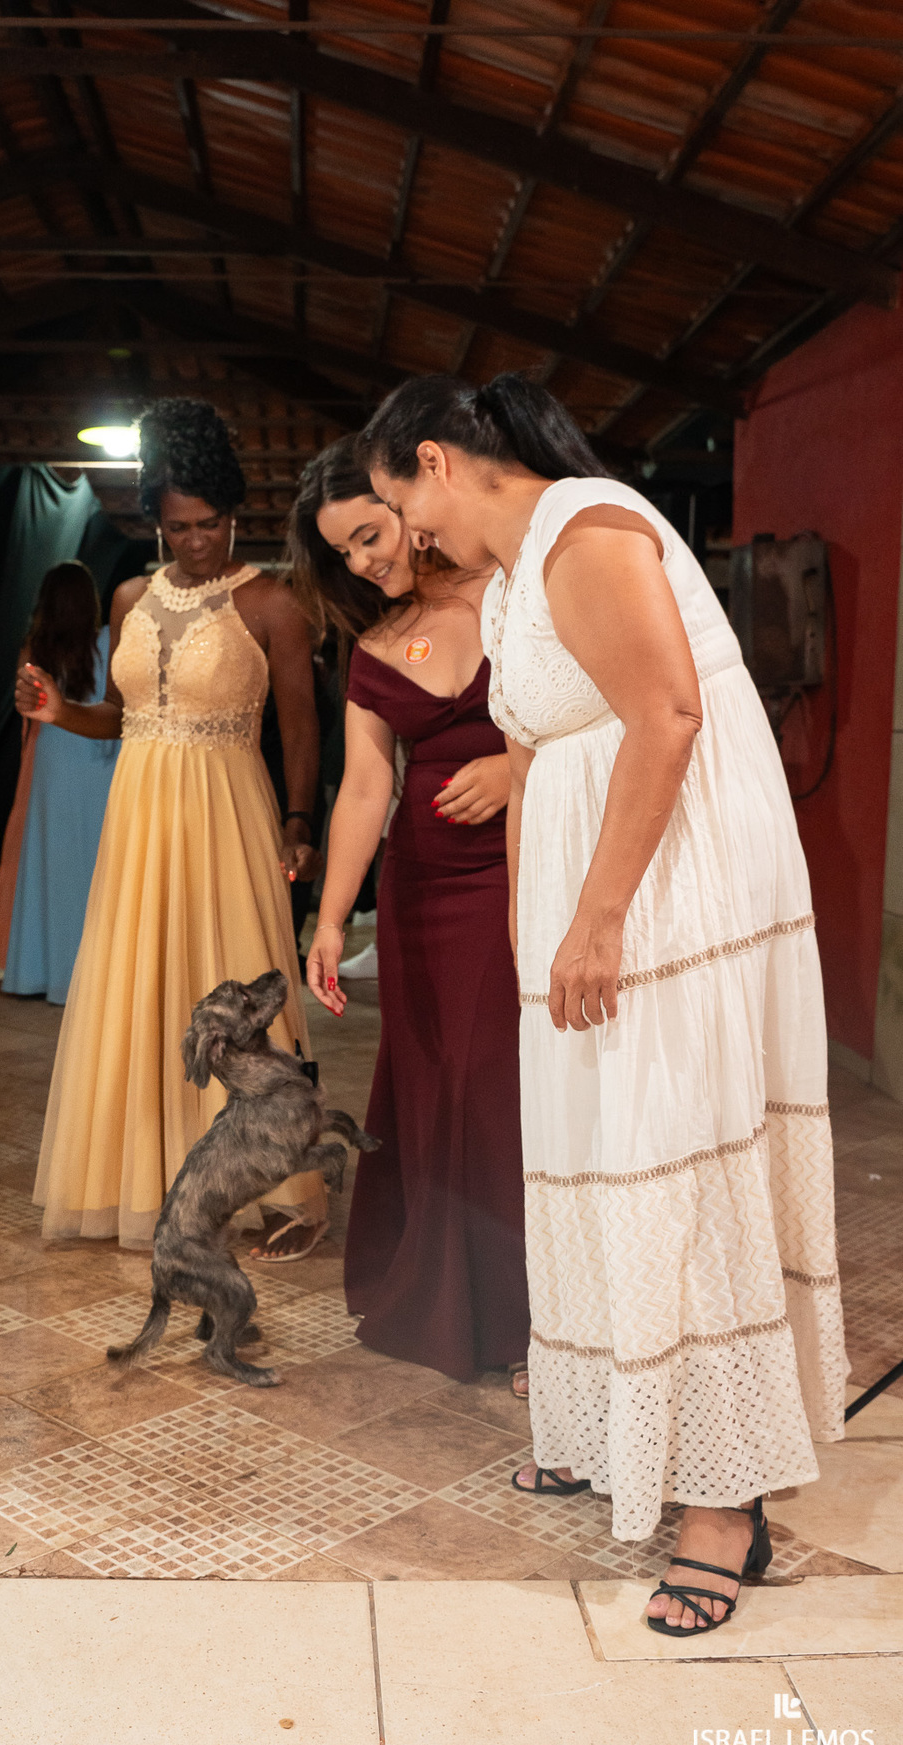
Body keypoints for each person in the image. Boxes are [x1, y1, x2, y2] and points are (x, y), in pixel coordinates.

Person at [361, 372, 845, 1636]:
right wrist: (540, 939)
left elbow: (669, 716)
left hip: (664, 900)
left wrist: (600, 914)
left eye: (396, 504)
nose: (407, 538)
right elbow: (545, 756)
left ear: (437, 462)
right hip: (586, 914)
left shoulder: (588, 530)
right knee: (591, 1167)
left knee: (674, 1172)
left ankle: (721, 1506)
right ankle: (610, 1428)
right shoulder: (519, 576)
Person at [17, 399, 328, 1260]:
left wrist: (303, 819)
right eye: (182, 526)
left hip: (227, 810)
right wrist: (55, 710)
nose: (201, 541)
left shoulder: (271, 603)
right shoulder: (128, 596)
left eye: (215, 523)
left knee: (231, 981)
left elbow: (301, 727)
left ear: (235, 513)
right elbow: (118, 720)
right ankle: (143, 1172)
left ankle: (279, 1182)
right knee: (139, 983)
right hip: (140, 817)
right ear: (155, 521)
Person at [292, 437, 529, 1384]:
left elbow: (605, 711)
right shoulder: (376, 647)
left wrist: (520, 768)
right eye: (342, 553)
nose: (361, 562)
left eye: (367, 534)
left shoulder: (516, 590)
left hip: (518, 876)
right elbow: (361, 791)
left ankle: (528, 1321)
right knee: (434, 1086)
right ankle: (445, 1299)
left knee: (498, 1090)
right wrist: (328, 919)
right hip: (421, 891)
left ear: (410, 498)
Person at [0, 561, 120, 1005]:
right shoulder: (107, 643)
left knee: (51, 864)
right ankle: (89, 978)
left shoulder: (36, 648)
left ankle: (39, 973)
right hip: (98, 755)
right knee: (92, 868)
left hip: (53, 758)